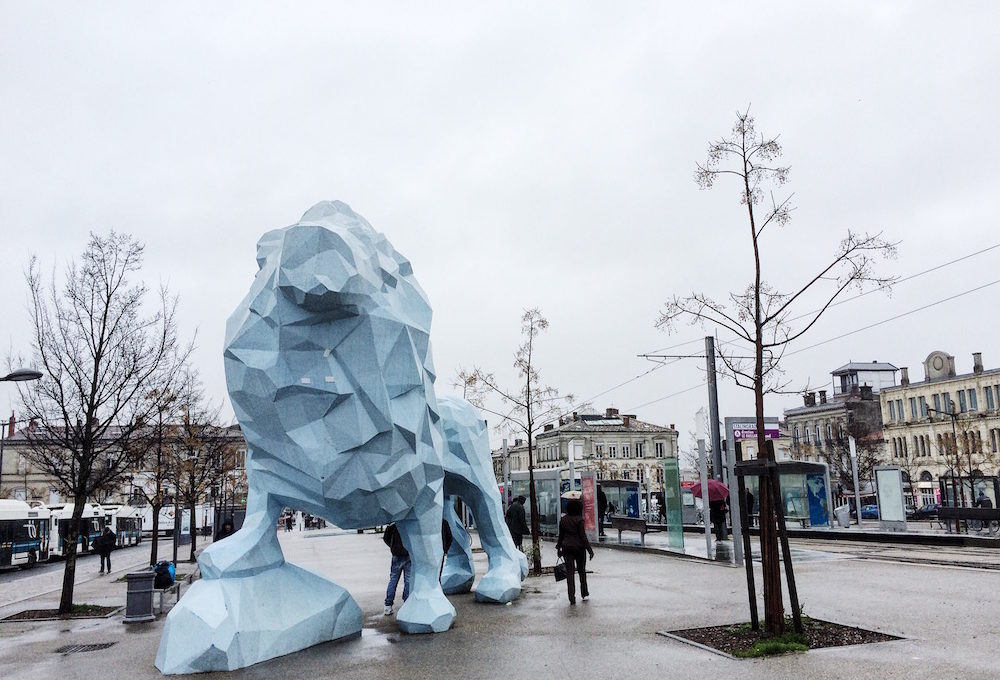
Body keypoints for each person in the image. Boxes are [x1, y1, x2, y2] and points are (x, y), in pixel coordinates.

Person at [556, 499, 594, 605]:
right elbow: (583, 536)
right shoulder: (579, 520)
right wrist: (590, 550)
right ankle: (584, 592)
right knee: (582, 571)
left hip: (567, 548)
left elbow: (561, 536)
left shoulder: (563, 520)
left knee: (570, 573)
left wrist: (559, 548)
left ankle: (571, 596)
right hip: (579, 548)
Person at [382, 522, 412, 616]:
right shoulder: (409, 524)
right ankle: (406, 603)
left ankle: (388, 605)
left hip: (396, 555)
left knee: (393, 580)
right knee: (408, 580)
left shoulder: (393, 525)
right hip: (408, 554)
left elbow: (386, 538)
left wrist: (392, 547)